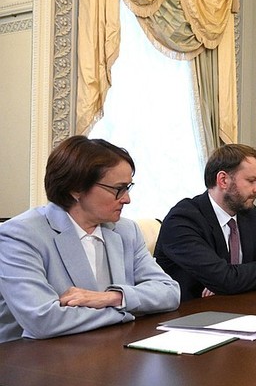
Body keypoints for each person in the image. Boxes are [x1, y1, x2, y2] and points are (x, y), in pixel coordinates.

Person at [0, 136, 180, 343]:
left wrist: (113, 297)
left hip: (110, 348)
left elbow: (169, 292)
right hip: (34, 357)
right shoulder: (20, 235)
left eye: (128, 188)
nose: (127, 199)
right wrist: (127, 311)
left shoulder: (126, 230)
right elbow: (43, 320)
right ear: (76, 189)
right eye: (118, 189)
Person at [154, 144, 256, 301]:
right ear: (223, 180)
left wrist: (232, 283)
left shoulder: (248, 214)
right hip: (190, 312)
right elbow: (225, 280)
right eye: (252, 180)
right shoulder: (182, 220)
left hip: (233, 306)